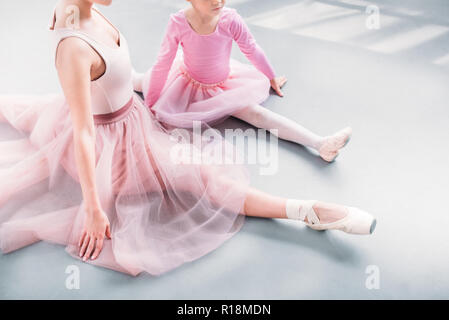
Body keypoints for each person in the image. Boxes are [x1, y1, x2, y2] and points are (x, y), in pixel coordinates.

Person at [0, 0, 376, 277]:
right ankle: (309, 211)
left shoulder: (84, 9)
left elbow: (119, 75)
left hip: (130, 114)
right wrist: (94, 208)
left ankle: (309, 197)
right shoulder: (74, 47)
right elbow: (83, 131)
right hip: (109, 146)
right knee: (202, 179)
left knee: (193, 153)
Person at [133, 0, 352, 162]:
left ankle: (320, 143)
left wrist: (271, 75)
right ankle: (116, 70)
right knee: (143, 81)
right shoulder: (179, 23)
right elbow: (163, 63)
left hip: (224, 86)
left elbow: (251, 48)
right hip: (185, 81)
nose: (217, 1)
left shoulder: (229, 19)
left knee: (259, 115)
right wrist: (152, 105)